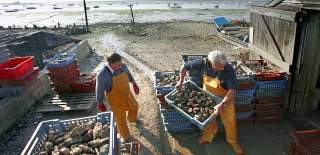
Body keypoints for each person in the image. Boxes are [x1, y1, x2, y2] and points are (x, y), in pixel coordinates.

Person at [176, 51, 244, 155]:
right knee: (208, 120)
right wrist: (180, 82)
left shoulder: (229, 69)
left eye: (223, 66)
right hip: (208, 97)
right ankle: (208, 136)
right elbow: (184, 67)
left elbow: (232, 91)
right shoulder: (202, 63)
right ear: (211, 63)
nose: (222, 68)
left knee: (230, 121)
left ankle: (233, 142)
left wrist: (222, 104)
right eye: (219, 67)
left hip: (226, 99)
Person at [95, 53, 140, 142]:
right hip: (115, 99)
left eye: (120, 63)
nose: (120, 66)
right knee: (120, 118)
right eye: (118, 64)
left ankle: (132, 119)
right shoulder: (102, 75)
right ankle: (125, 136)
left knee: (134, 106)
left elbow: (128, 74)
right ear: (110, 64)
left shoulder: (123, 66)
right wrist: (100, 102)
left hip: (127, 94)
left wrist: (134, 83)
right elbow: (99, 89)